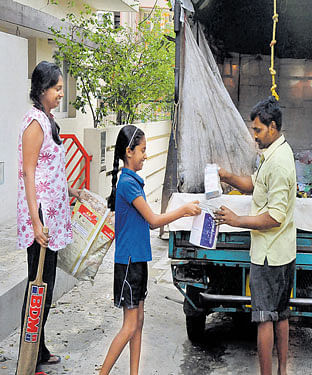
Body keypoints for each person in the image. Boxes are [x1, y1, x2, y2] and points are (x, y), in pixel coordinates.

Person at [100, 125, 200, 375]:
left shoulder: (132, 180)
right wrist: (183, 210)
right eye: (143, 150)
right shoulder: (128, 184)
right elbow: (154, 220)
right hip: (129, 262)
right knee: (129, 325)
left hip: (138, 259)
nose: (146, 155)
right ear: (129, 152)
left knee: (138, 323)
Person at [214, 97, 296, 375]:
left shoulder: (279, 164)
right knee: (282, 314)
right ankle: (282, 371)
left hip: (269, 254)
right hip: (282, 251)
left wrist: (236, 220)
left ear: (272, 127)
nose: (254, 135)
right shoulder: (272, 154)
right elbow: (254, 185)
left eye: (258, 130)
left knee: (265, 318)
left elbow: (274, 216)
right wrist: (226, 176)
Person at [17, 61, 81, 373]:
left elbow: (48, 168)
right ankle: (28, 356)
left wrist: (70, 191)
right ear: (43, 90)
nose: (61, 93)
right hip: (41, 216)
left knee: (47, 286)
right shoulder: (34, 123)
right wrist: (36, 221)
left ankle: (38, 348)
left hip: (52, 215)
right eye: (57, 88)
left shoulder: (46, 119)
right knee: (37, 286)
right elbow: (28, 173)